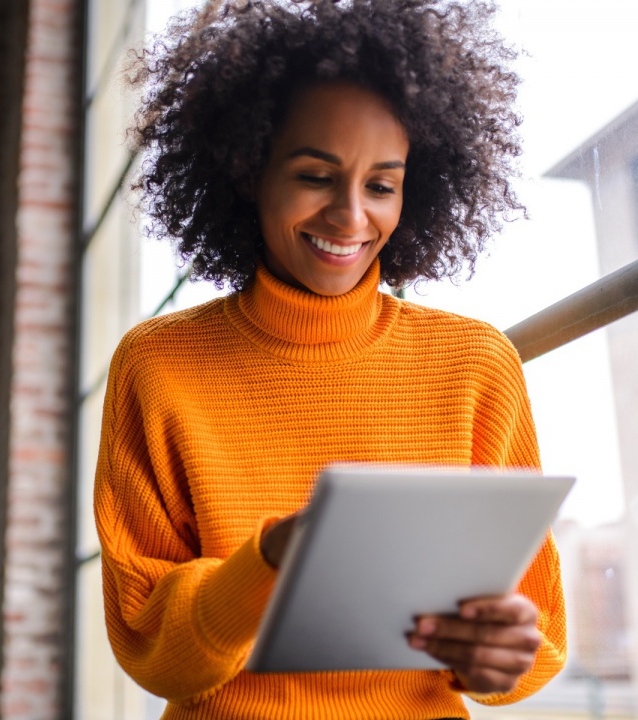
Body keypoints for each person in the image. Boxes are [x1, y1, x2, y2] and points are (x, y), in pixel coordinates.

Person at [93, 1, 566, 718]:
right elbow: (151, 648)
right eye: (316, 175)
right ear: (248, 170)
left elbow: (537, 634)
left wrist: (501, 660)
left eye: (381, 185)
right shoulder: (158, 364)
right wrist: (271, 560)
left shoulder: (475, 363)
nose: (350, 216)